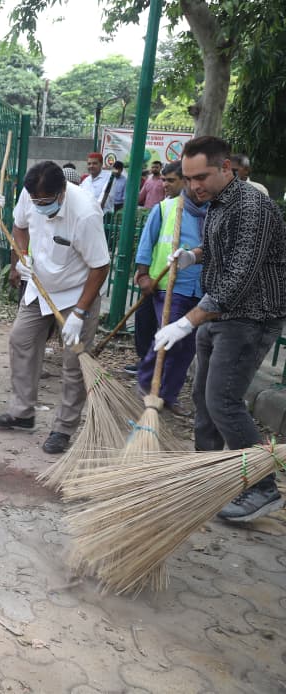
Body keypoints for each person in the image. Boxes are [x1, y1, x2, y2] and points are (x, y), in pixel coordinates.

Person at [155, 136, 286, 522]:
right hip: (220, 316)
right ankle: (211, 476)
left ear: (226, 168)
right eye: (189, 178)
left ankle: (263, 489)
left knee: (223, 402)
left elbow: (239, 277)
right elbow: (220, 251)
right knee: (203, 398)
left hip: (251, 317)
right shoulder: (216, 203)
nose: (195, 185)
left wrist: (184, 322)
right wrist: (193, 255)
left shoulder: (252, 207)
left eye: (202, 176)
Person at [0, 161, 110, 455]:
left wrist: (80, 313)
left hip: (77, 292)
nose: (39, 206)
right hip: (39, 284)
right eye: (36, 201)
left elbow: (100, 266)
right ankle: (22, 412)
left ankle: (63, 428)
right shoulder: (30, 197)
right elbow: (19, 226)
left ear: (62, 191)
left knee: (73, 361)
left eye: (45, 201)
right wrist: (22, 257)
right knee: (21, 340)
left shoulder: (85, 213)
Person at [132, 160, 203, 417]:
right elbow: (146, 244)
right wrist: (142, 275)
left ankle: (168, 395)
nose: (164, 185)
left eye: (170, 180)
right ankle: (145, 383)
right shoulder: (164, 209)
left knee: (187, 346)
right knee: (167, 338)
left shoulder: (212, 210)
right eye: (163, 180)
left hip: (201, 289)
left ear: (187, 181)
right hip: (170, 285)